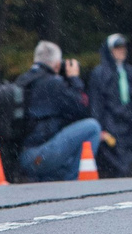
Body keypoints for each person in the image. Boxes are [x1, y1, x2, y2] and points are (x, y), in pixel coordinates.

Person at [15, 42, 100, 181]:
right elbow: (82, 107)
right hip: (40, 156)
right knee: (92, 127)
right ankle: (72, 181)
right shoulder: (54, 83)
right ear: (56, 64)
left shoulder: (22, 80)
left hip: (23, 157)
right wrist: (74, 79)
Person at [88, 32, 132, 177]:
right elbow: (96, 103)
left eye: (123, 47)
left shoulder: (130, 72)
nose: (122, 51)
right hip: (110, 127)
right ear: (109, 51)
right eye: (117, 48)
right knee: (114, 169)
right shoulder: (100, 73)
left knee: (128, 169)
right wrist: (100, 128)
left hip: (129, 127)